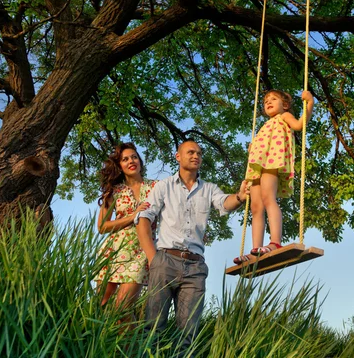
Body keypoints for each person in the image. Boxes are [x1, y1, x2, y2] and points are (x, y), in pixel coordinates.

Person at [136, 139, 249, 353]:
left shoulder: (209, 189)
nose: (196, 155)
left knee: (188, 333)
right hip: (165, 261)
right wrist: (154, 258)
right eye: (190, 152)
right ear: (178, 157)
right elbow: (144, 217)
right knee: (153, 327)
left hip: (195, 268)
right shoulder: (163, 186)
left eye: (199, 153)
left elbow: (225, 203)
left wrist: (240, 197)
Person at [233, 89, 314, 264]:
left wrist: (309, 104)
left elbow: (300, 125)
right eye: (266, 101)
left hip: (272, 163)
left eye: (273, 99)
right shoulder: (264, 126)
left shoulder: (284, 117)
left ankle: (275, 242)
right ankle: (256, 250)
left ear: (284, 105)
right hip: (257, 166)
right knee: (255, 206)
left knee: (268, 198)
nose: (268, 102)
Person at [95, 142, 157, 320]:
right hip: (113, 251)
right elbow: (102, 227)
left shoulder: (156, 187)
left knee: (121, 307)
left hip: (141, 252)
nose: (131, 161)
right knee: (102, 305)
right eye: (125, 159)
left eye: (134, 157)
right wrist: (132, 217)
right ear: (120, 166)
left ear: (140, 161)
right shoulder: (114, 191)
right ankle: (110, 347)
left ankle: (138, 348)